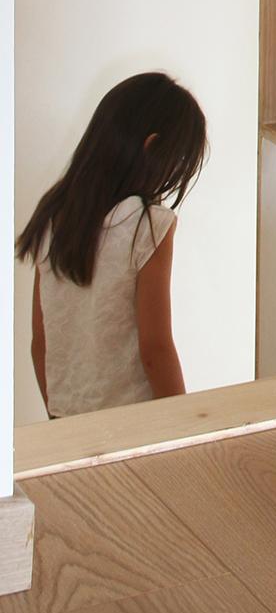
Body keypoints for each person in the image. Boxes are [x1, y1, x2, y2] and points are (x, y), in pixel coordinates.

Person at [15, 72, 207, 414]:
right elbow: (155, 349)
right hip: (132, 423)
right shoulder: (147, 226)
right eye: (176, 163)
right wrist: (185, 422)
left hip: (67, 418)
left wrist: (58, 414)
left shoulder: (54, 215)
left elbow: (40, 343)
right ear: (152, 147)